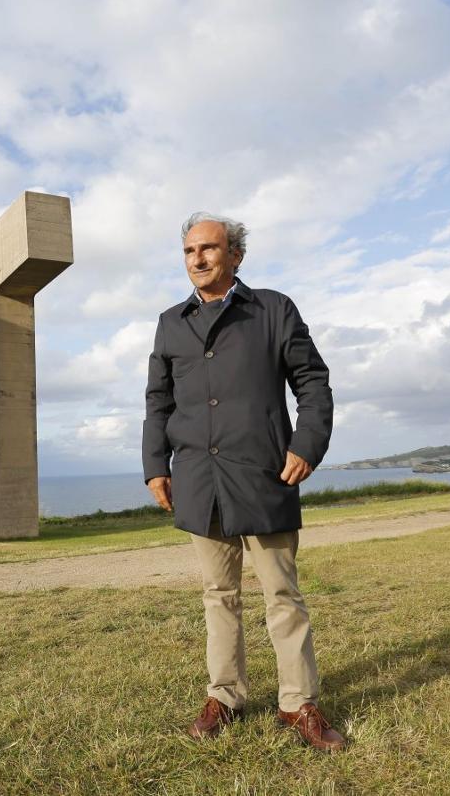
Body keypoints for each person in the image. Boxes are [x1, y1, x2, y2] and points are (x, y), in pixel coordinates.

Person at [143, 212, 344, 752]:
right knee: (217, 595)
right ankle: (225, 696)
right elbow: (158, 400)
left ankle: (298, 703)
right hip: (197, 480)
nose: (197, 260)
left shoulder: (273, 309)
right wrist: (155, 466)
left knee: (282, 595)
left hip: (263, 475)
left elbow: (312, 382)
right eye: (189, 251)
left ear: (235, 254)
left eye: (208, 249)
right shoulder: (170, 322)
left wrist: (307, 444)